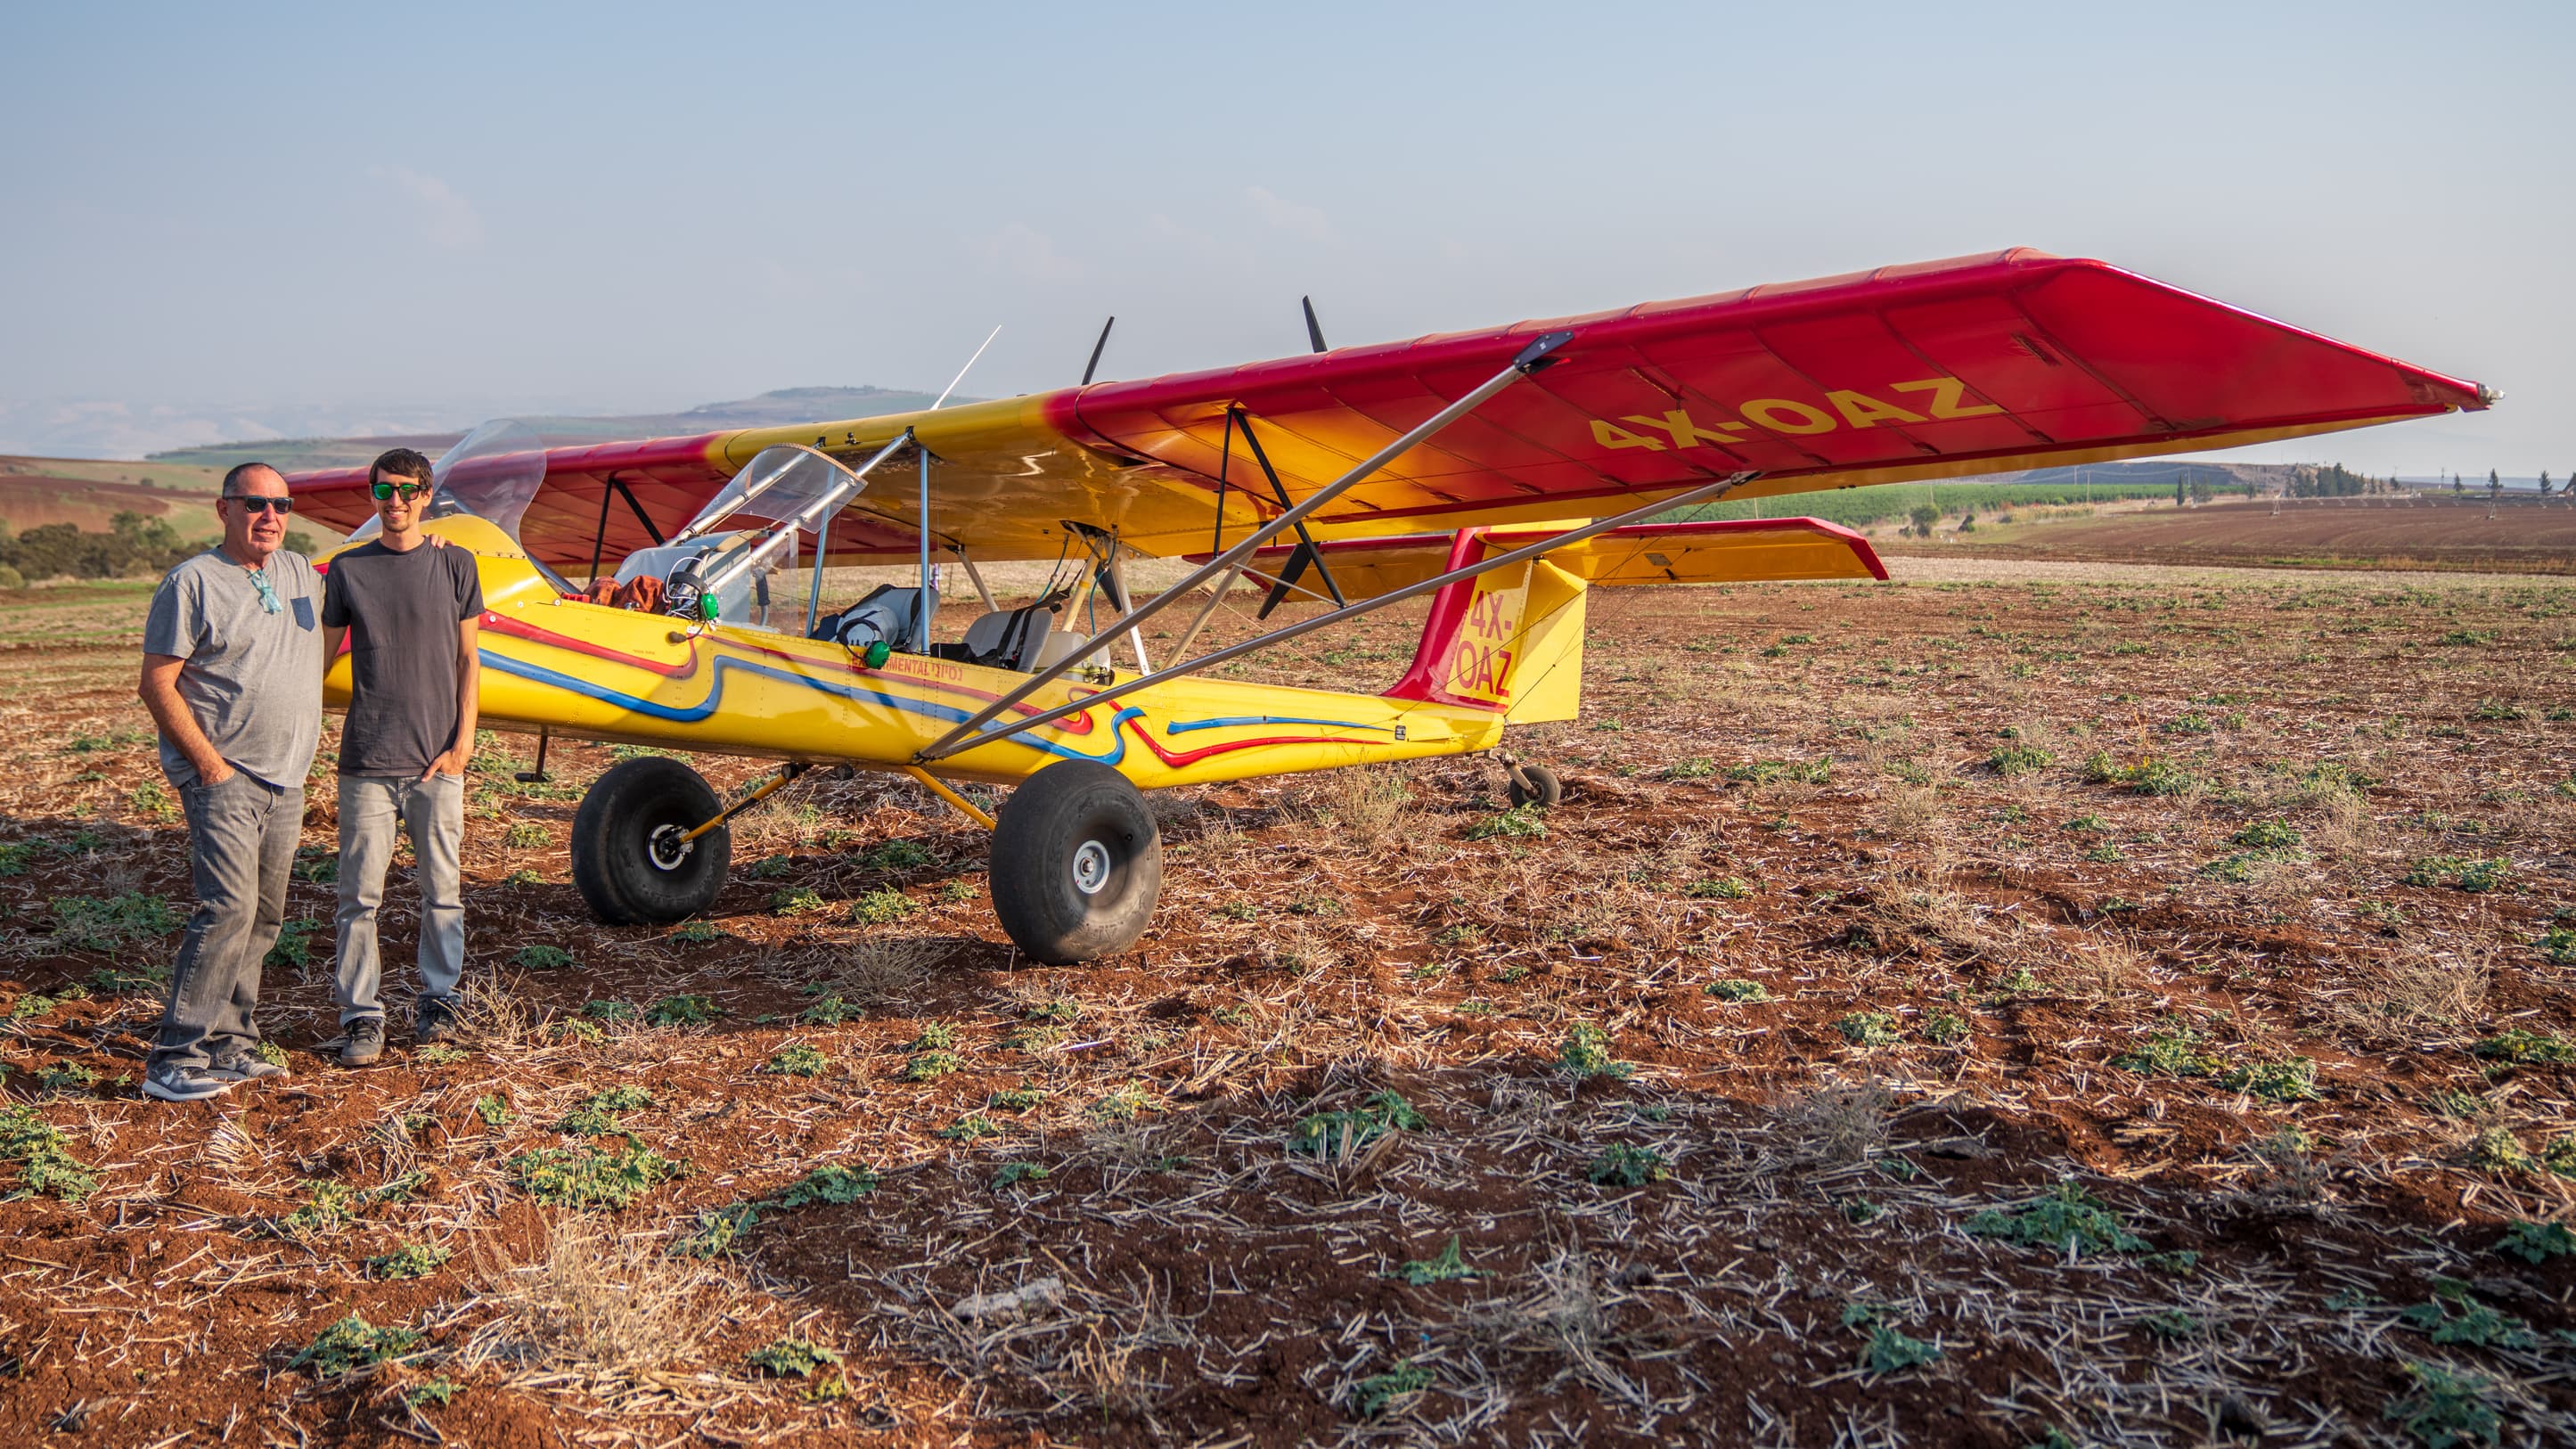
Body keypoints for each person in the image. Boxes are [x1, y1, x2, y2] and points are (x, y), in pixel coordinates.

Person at [136, 463, 323, 1102]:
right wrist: (209, 766)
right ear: (224, 510)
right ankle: (174, 1057)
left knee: (265, 917)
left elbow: (375, 567)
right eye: (255, 504)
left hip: (288, 778)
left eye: (282, 505)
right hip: (227, 777)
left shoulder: (299, 573)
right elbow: (157, 683)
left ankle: (230, 1045)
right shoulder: (192, 582)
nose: (269, 516)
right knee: (226, 910)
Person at [321, 447, 482, 1066]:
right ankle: (361, 1017)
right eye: (382, 491)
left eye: (406, 491)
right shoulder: (347, 569)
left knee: (442, 891)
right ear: (372, 495)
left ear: (426, 495)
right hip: (365, 760)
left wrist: (463, 742)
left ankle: (439, 1002)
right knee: (358, 899)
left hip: (436, 762)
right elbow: (318, 656)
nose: (394, 502)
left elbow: (470, 661)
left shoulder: (456, 565)